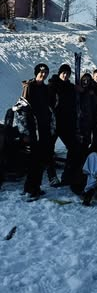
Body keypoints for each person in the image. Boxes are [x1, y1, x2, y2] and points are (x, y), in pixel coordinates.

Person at [14, 63, 55, 201]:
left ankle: (33, 187)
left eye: (45, 72)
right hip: (33, 129)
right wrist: (25, 131)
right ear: (36, 72)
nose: (43, 74)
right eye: (41, 72)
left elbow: (49, 107)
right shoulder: (29, 87)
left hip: (44, 128)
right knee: (35, 160)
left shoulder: (45, 88)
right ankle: (31, 189)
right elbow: (22, 109)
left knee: (40, 159)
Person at [47, 64, 78, 188]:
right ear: (59, 73)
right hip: (53, 122)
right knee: (49, 149)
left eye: (67, 73)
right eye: (63, 73)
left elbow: (73, 106)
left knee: (73, 147)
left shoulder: (71, 87)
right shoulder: (52, 86)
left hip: (66, 123)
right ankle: (52, 176)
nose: (65, 75)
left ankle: (67, 175)